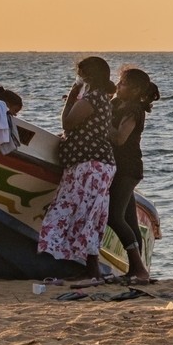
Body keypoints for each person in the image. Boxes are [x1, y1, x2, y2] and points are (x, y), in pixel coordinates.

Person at [37, 56, 117, 278]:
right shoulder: (103, 98)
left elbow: (67, 123)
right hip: (98, 164)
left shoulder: (90, 99)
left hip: (89, 165)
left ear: (86, 76)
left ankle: (81, 268)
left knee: (72, 211)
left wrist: (71, 97)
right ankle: (88, 268)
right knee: (89, 214)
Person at [108, 66, 159, 284]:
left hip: (127, 169)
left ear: (136, 89)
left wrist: (97, 121)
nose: (118, 86)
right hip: (118, 168)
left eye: (123, 84)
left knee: (114, 217)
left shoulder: (134, 111)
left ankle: (139, 269)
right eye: (118, 82)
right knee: (129, 218)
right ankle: (138, 270)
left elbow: (120, 138)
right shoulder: (117, 104)